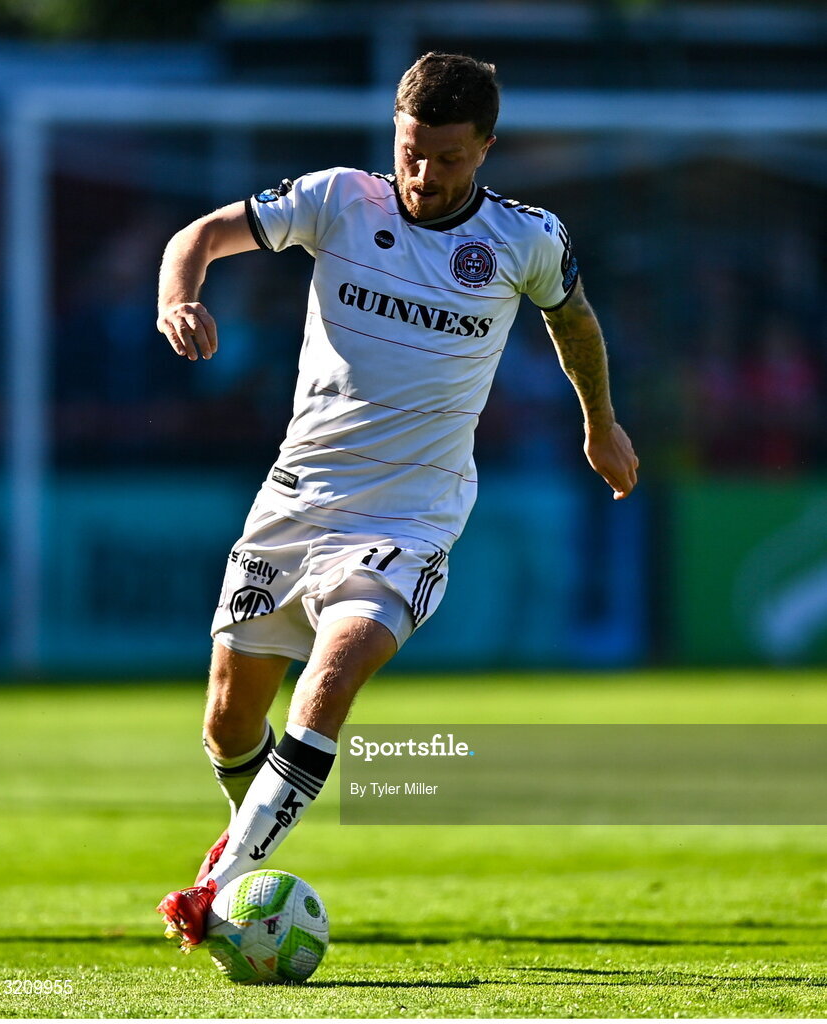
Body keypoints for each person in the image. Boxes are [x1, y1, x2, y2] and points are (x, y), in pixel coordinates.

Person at [154, 52, 639, 950]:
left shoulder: (525, 241)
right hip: (297, 498)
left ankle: (214, 885)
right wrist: (179, 296)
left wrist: (600, 423)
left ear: (486, 148)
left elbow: (575, 321)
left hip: (411, 518)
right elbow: (202, 234)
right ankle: (257, 832)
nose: (423, 174)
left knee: (329, 683)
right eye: (412, 150)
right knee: (228, 718)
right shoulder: (340, 199)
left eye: (448, 158)